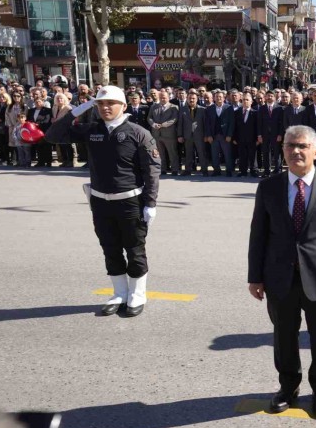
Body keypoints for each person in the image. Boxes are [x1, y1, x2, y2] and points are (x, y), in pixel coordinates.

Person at [247, 125, 316, 420]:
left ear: (315, 152)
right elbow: (258, 234)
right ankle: (287, 388)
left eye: (302, 146)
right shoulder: (269, 186)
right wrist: (255, 276)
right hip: (278, 276)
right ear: (282, 150)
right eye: (289, 146)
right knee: (284, 335)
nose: (295, 151)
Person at [45, 85, 161, 317]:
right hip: (100, 201)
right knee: (110, 248)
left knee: (135, 250)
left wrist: (150, 203)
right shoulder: (92, 130)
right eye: (100, 104)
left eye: (110, 103)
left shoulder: (138, 132)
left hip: (130, 201)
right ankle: (119, 293)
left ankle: (137, 295)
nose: (105, 108)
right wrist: (78, 109)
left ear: (124, 106)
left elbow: (152, 170)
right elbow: (53, 136)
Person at [148, 90, 180, 175]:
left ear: (169, 98)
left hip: (169, 134)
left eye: (164, 97)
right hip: (157, 134)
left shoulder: (174, 107)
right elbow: (149, 118)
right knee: (160, 153)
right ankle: (162, 169)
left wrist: (163, 125)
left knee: (172, 153)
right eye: (161, 97)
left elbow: (174, 119)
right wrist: (153, 124)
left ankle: (174, 169)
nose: (162, 99)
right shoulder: (153, 107)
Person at [177, 89, 207, 176]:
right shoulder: (183, 110)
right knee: (188, 154)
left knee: (201, 153)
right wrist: (180, 135)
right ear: (187, 98)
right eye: (190, 98)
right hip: (187, 136)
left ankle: (204, 170)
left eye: (193, 98)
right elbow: (180, 123)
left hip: (200, 136)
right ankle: (188, 170)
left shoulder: (203, 110)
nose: (191, 100)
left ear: (197, 99)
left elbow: (205, 124)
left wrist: (206, 135)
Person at [257, 90, 284, 176]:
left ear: (275, 97)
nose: (269, 97)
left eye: (271, 96)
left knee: (277, 153)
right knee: (265, 153)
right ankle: (266, 171)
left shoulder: (279, 108)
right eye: (268, 96)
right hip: (264, 135)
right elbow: (259, 123)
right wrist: (259, 135)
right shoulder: (261, 108)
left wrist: (280, 134)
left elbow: (281, 123)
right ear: (265, 97)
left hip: (276, 135)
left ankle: (278, 170)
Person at [232, 91, 259, 177]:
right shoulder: (237, 112)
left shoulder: (255, 113)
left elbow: (258, 127)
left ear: (251, 102)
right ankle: (243, 171)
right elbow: (234, 126)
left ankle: (253, 170)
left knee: (252, 155)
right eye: (243, 100)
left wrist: (258, 138)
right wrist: (234, 138)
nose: (245, 101)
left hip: (252, 138)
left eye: (247, 100)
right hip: (240, 138)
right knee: (242, 155)